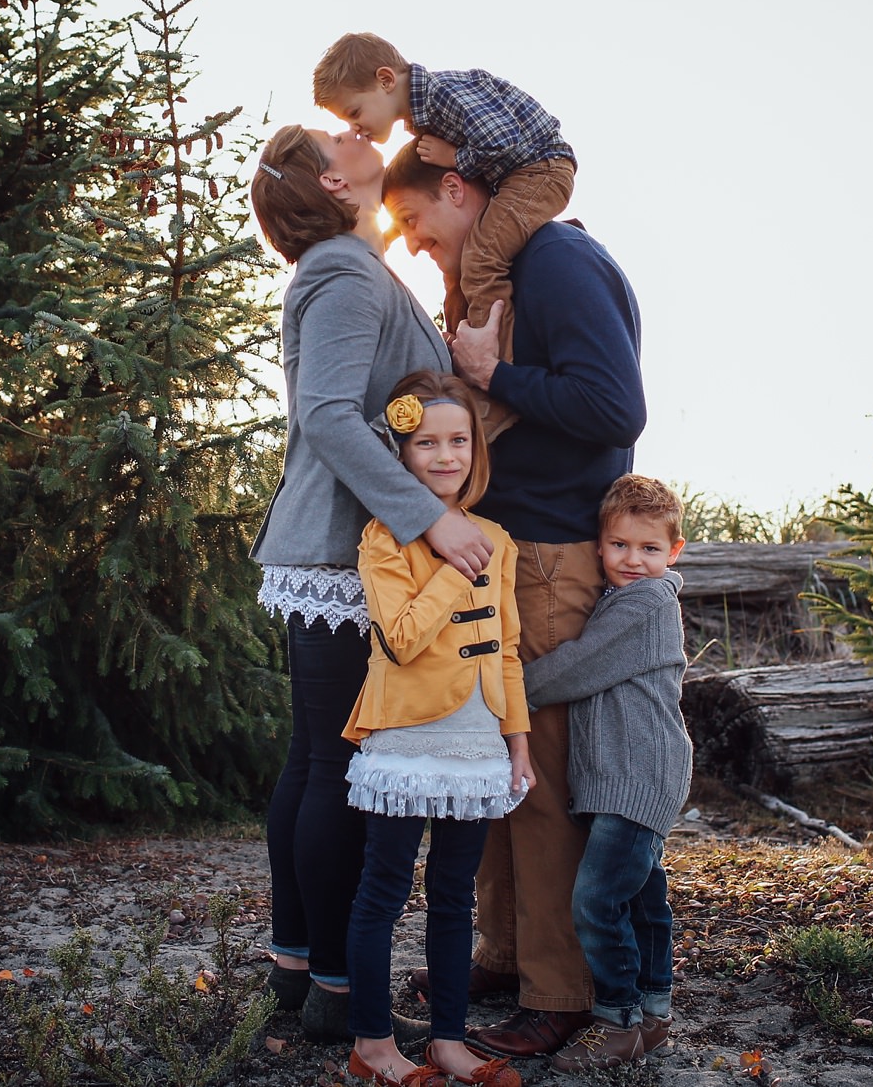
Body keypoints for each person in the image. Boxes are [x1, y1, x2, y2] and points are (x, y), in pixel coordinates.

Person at [381, 149, 646, 1062]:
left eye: (417, 224)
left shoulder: (557, 262)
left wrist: (492, 378)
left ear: (457, 190)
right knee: (488, 763)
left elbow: (616, 406)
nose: (418, 247)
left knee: (539, 781)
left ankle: (561, 987)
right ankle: (505, 951)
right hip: (503, 548)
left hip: (550, 554)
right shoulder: (511, 272)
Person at [248, 124, 496, 1045]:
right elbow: (324, 413)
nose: (361, 134)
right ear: (329, 179)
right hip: (349, 552)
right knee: (339, 768)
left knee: (314, 760)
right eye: (339, 137)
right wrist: (429, 515)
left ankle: (298, 967)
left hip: (335, 548)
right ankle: (338, 990)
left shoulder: (348, 263)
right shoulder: (347, 268)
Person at [341, 371, 534, 1087]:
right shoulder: (385, 536)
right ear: (403, 452)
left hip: (478, 739)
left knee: (456, 893)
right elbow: (400, 638)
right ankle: (373, 1045)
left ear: (475, 449)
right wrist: (455, 568)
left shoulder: (498, 539)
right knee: (384, 888)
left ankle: (449, 1040)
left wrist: (518, 740)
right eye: (428, 442)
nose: (446, 454)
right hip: (406, 738)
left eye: (459, 440)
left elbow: (507, 647)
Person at [312, 32, 576, 431]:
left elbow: (502, 139)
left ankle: (492, 373)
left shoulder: (441, 95)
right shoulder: (422, 116)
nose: (358, 129)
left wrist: (457, 157)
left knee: (483, 255)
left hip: (541, 169)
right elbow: (427, 190)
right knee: (458, 273)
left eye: (355, 113)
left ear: (386, 80)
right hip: (518, 174)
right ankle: (462, 371)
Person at [521, 475, 692, 1071]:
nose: (633, 560)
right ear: (599, 546)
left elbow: (576, 668)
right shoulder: (619, 600)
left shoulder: (648, 603)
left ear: (674, 551)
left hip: (639, 774)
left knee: (596, 900)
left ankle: (616, 1022)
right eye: (620, 545)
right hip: (620, 777)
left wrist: (506, 693)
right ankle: (654, 1012)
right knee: (643, 900)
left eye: (649, 548)